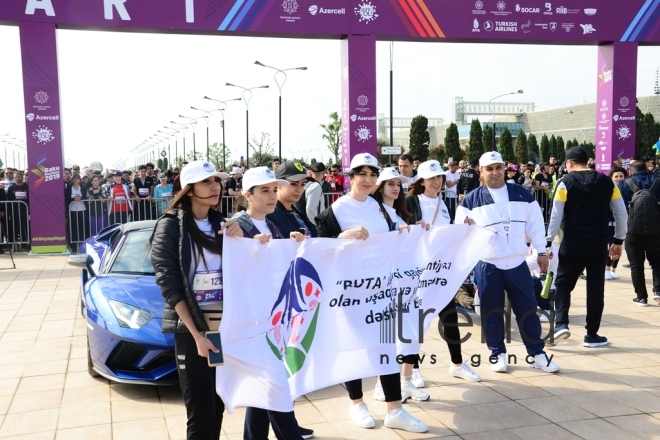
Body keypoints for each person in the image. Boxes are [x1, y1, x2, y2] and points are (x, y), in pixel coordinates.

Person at [315, 153, 428, 433]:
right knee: (354, 347)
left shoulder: (379, 207)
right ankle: (357, 404)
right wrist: (341, 238)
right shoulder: (336, 210)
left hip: (382, 291)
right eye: (361, 174)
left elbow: (394, 232)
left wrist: (410, 230)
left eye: (372, 175)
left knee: (385, 347)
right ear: (350, 178)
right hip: (351, 292)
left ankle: (395, 409)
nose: (367, 180)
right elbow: (319, 248)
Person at [151, 160, 241, 440]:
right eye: (206, 182)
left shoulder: (223, 224)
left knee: (217, 406)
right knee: (200, 415)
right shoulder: (170, 226)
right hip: (194, 331)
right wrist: (198, 336)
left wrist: (243, 238)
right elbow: (170, 284)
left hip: (222, 327)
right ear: (189, 190)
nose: (215, 187)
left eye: (216, 180)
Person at [456, 151, 560, 373]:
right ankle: (497, 354)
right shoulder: (472, 199)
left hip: (516, 262)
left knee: (527, 309)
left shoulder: (522, 194)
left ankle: (537, 354)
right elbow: (460, 231)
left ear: (505, 168)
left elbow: (535, 225)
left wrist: (541, 252)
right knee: (491, 311)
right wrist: (466, 227)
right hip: (487, 264)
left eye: (498, 167)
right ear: (481, 172)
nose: (495, 172)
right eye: (489, 169)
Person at [230, 166, 308, 440]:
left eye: (274, 189)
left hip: (276, 318)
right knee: (276, 389)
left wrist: (294, 243)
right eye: (264, 190)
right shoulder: (237, 226)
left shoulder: (273, 224)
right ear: (247, 195)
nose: (272, 196)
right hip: (256, 321)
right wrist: (247, 243)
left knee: (263, 390)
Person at [404, 160, 482, 386]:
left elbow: (449, 232)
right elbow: (403, 234)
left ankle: (457, 364)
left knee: (449, 318)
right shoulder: (411, 202)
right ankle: (413, 368)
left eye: (439, 177)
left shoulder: (444, 202)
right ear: (422, 181)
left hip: (440, 273)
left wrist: (465, 225)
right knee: (417, 322)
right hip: (419, 274)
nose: (436, 182)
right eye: (431, 178)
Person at [546, 147, 627, 347]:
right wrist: (618, 240)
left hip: (573, 240)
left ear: (569, 163)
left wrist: (548, 241)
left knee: (564, 283)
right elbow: (621, 213)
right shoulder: (607, 182)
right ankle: (592, 334)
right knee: (595, 287)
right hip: (599, 242)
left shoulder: (565, 183)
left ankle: (562, 323)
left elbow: (556, 215)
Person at [618, 158, 660, 306]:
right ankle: (658, 291)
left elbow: (620, 209)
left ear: (631, 171)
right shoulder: (657, 182)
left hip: (633, 230)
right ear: (647, 168)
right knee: (656, 261)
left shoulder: (624, 184)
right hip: (656, 230)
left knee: (636, 265)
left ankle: (641, 297)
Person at [268, 161, 317, 238]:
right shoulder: (270, 215)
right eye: (294, 184)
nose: (299, 189)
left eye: (303, 184)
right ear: (278, 184)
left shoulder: (296, 212)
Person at [606, 167, 626, 280]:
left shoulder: (626, 188)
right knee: (610, 246)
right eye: (616, 176)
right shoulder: (609, 189)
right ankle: (607, 269)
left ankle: (613, 269)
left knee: (618, 245)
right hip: (609, 222)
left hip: (621, 223)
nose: (619, 179)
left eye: (621, 176)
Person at [65, 173, 89, 252]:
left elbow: (86, 197)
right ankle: (74, 245)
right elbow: (67, 198)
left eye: (77, 178)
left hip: (82, 209)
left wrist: (81, 198)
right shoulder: (69, 188)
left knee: (82, 227)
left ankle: (83, 243)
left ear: (79, 180)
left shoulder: (83, 188)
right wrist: (73, 199)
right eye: (74, 178)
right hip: (72, 210)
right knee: (73, 227)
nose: (75, 180)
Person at [6, 171, 29, 248]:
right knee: (15, 227)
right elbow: (9, 200)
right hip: (14, 211)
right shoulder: (11, 188)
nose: (17, 178)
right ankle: (14, 245)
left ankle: (25, 244)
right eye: (15, 177)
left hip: (25, 211)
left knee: (25, 227)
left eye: (19, 176)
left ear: (22, 177)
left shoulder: (27, 186)